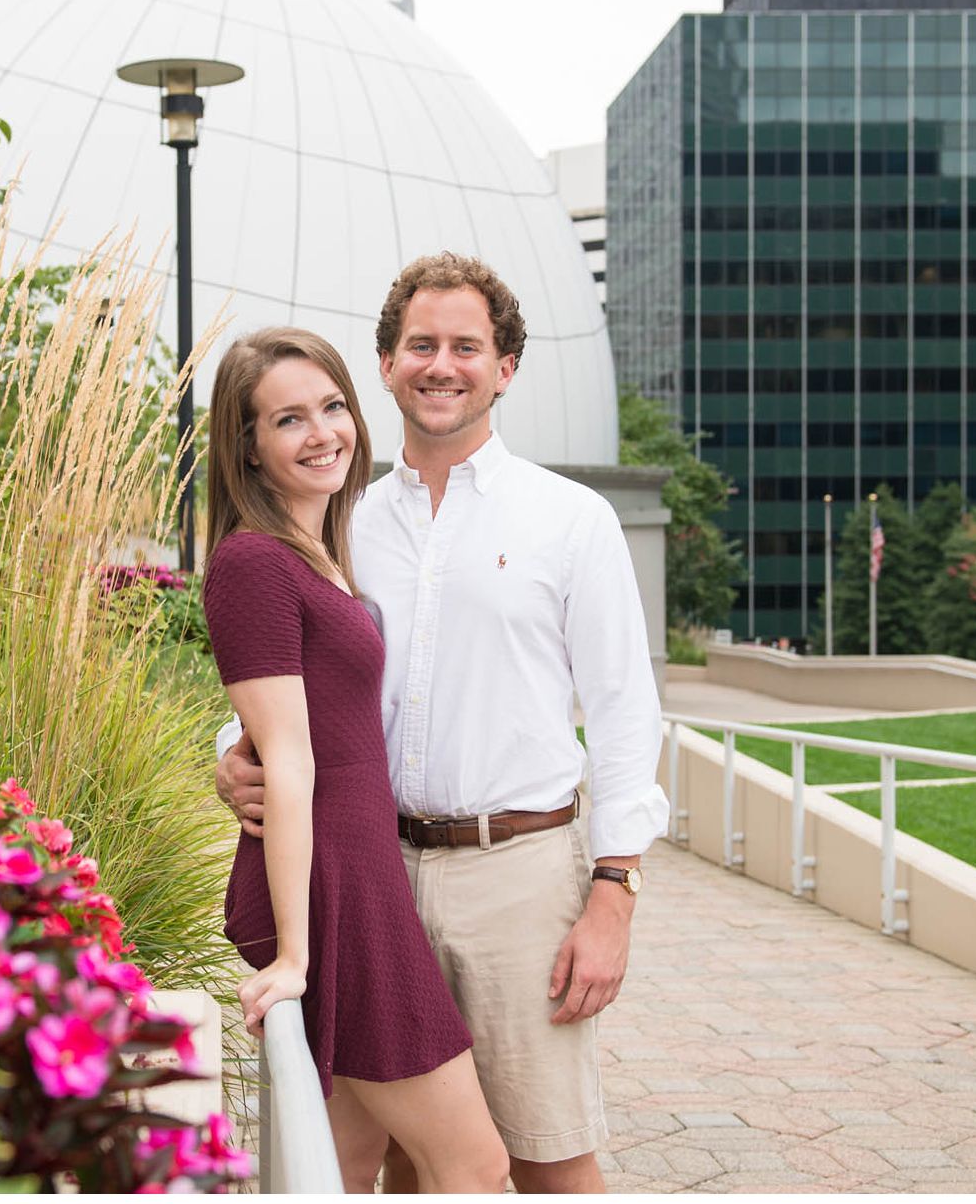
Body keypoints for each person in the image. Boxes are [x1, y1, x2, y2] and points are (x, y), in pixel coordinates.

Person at [216, 253, 667, 1193]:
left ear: (505, 368)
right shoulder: (346, 519)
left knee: (547, 1157)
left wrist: (615, 890)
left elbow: (626, 713)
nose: (441, 364)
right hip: (367, 874)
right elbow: (300, 680)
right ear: (384, 364)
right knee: (402, 1169)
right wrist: (232, 754)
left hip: (519, 879)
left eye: (468, 346)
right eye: (420, 344)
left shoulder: (568, 520)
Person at [200, 326, 510, 1193]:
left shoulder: (321, 554)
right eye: (288, 420)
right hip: (335, 895)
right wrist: (298, 956)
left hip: (355, 876)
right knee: (474, 1165)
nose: (323, 432)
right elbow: (291, 762)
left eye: (333, 406)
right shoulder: (254, 565)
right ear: (249, 451)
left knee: (342, 1163)